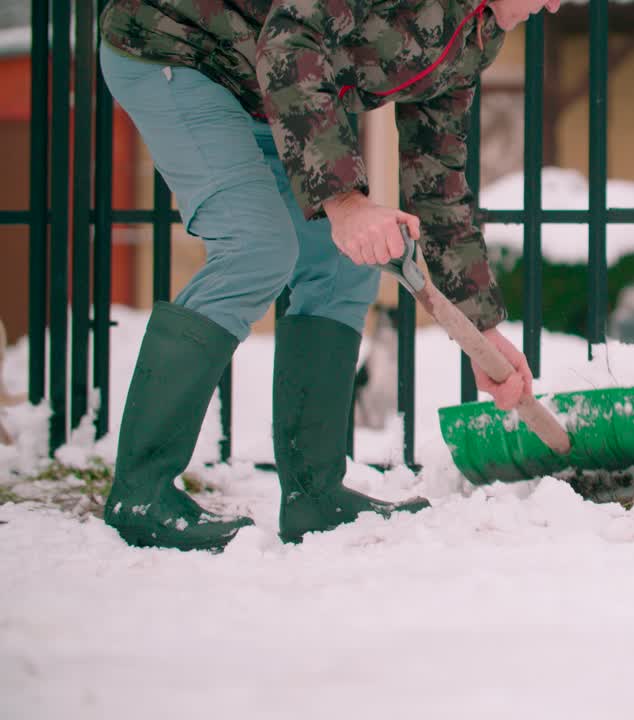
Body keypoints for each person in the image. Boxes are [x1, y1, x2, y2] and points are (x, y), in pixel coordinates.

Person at [97, 0, 560, 552]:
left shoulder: (476, 34)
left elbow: (437, 174)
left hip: (265, 87)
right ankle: (140, 493)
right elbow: (291, 37)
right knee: (256, 248)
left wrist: (480, 330)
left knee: (345, 264)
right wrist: (343, 201)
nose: (555, 5)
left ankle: (314, 494)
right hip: (181, 47)